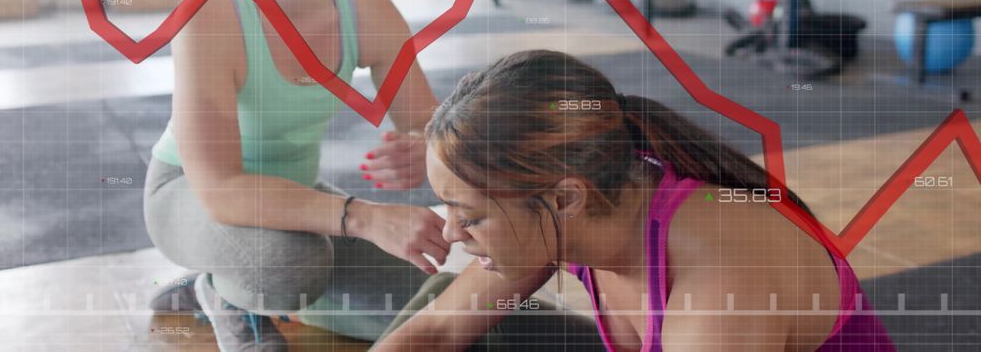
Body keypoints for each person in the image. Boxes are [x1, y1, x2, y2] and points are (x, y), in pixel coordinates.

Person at [144, 0, 448, 351]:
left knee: (437, 298)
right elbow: (220, 190)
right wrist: (366, 217)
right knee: (290, 265)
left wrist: (428, 151)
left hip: (292, 200)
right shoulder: (210, 19)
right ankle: (226, 294)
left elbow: (433, 127)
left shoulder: (367, 10)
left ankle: (246, 280)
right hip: (191, 196)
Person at [374, 50, 897, 350]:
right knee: (456, 306)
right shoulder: (598, 190)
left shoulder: (719, 292)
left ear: (563, 200)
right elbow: (439, 331)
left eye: (469, 217)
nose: (449, 233)